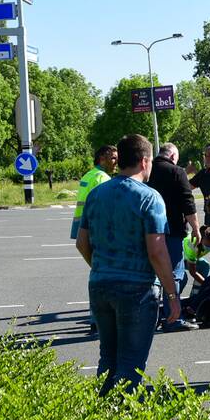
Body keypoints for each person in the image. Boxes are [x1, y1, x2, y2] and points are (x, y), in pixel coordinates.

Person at [75, 134, 180, 395]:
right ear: (145, 161)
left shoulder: (97, 193)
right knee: (131, 364)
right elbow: (157, 251)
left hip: (100, 284)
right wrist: (172, 294)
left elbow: (81, 242)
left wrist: (100, 267)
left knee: (107, 360)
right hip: (137, 288)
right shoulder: (150, 197)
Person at [147, 143, 200, 331]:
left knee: (153, 275)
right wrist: (196, 228)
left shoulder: (147, 170)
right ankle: (173, 318)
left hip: (148, 231)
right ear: (173, 156)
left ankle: (152, 317)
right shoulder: (177, 172)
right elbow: (188, 203)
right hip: (172, 230)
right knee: (174, 274)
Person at [70, 145, 117, 240]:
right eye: (113, 158)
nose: (117, 162)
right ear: (102, 159)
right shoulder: (102, 178)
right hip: (96, 227)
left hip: (82, 225)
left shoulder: (88, 175)